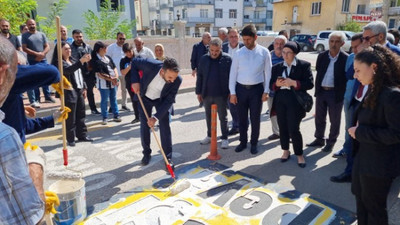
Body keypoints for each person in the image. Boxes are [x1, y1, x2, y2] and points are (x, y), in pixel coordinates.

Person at [349, 45, 400, 225]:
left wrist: (361, 132)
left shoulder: (392, 95)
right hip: (364, 160)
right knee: (361, 204)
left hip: (378, 166)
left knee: (375, 210)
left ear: (374, 67)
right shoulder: (373, 88)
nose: (355, 75)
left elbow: (396, 134)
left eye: (357, 70)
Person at [0, 35, 46, 225]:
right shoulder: (4, 137)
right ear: (2, 72)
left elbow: (27, 124)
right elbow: (29, 218)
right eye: (19, 71)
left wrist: (53, 119)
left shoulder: (16, 99)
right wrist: (35, 168)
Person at [131, 57, 182, 169]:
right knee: (145, 126)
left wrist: (155, 117)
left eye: (174, 78)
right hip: (144, 97)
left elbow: (169, 101)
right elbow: (134, 62)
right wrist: (135, 81)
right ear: (163, 71)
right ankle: (146, 153)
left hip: (161, 101)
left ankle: (167, 157)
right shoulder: (150, 64)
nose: (172, 80)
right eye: (170, 77)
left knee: (165, 126)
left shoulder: (177, 80)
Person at [270, 41, 313, 168]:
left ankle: (299, 154)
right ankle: (285, 150)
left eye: (289, 53)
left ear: (294, 54)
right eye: (283, 52)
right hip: (280, 99)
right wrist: (276, 85)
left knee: (294, 128)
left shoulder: (303, 65)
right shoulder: (277, 67)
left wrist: (294, 83)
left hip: (295, 100)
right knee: (282, 126)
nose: (285, 55)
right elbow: (271, 85)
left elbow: (310, 84)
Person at [229, 24, 272, 155]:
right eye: (244, 39)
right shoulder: (238, 53)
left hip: (256, 90)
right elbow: (233, 74)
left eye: (248, 39)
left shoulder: (264, 52)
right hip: (241, 90)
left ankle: (254, 143)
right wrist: (233, 93)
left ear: (255, 37)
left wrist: (266, 91)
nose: (246, 42)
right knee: (242, 118)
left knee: (255, 118)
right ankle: (242, 142)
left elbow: (268, 73)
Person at [2, 51, 60, 144]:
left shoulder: (11, 95)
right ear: (18, 65)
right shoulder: (7, 79)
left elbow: (22, 127)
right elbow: (52, 72)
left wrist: (52, 119)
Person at [307, 31, 348, 152]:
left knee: (334, 120)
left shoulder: (345, 58)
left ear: (342, 43)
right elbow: (319, 71)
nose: (333, 44)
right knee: (319, 118)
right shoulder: (322, 56)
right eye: (331, 41)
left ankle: (331, 142)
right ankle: (319, 139)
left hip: (335, 93)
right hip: (321, 92)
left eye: (337, 41)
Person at [52, 41, 93, 146]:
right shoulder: (59, 63)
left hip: (79, 89)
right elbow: (68, 71)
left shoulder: (73, 60)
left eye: (69, 48)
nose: (68, 50)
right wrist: (81, 61)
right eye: (65, 49)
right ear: (59, 51)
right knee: (70, 117)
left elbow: (80, 73)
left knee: (81, 114)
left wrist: (84, 87)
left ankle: (82, 135)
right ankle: (70, 138)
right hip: (69, 91)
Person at [196, 38, 232, 149]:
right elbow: (200, 76)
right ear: (209, 48)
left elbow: (232, 77)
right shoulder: (204, 59)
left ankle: (225, 138)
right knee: (208, 116)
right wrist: (198, 92)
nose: (214, 53)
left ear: (221, 48)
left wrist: (231, 92)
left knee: (222, 117)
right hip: (207, 93)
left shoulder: (227, 59)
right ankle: (210, 136)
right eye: (212, 50)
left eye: (216, 51)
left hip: (221, 94)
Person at [22, 19, 55, 107]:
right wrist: (36, 54)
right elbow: (24, 48)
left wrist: (42, 54)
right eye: (29, 24)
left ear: (35, 24)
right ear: (27, 25)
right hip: (33, 60)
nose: (31, 26)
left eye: (33, 24)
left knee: (45, 78)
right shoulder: (25, 36)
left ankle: (47, 96)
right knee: (36, 79)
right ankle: (37, 98)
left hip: (43, 59)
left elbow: (47, 46)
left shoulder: (41, 34)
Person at [90, 41, 122, 125]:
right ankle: (105, 117)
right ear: (101, 49)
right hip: (104, 83)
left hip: (113, 82)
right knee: (104, 100)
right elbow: (100, 74)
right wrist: (111, 79)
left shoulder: (107, 57)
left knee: (113, 98)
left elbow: (114, 67)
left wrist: (116, 77)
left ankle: (116, 114)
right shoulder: (95, 60)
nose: (106, 49)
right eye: (105, 48)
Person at [70, 29, 99, 115]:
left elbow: (93, 60)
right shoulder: (70, 48)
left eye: (80, 36)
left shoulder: (88, 47)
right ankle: (78, 112)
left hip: (88, 73)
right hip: (76, 74)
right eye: (77, 37)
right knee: (78, 93)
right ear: (73, 37)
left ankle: (93, 109)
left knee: (90, 92)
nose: (79, 38)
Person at [222, 28, 244, 136]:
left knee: (242, 107)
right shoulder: (223, 47)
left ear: (239, 37)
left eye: (236, 36)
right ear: (227, 37)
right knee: (231, 106)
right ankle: (236, 126)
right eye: (231, 36)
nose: (234, 39)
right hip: (227, 82)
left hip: (242, 81)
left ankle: (244, 128)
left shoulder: (245, 48)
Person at [266, 35, 287, 141]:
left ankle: (288, 134)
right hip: (272, 91)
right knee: (272, 113)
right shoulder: (268, 56)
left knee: (286, 114)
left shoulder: (288, 56)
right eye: (277, 44)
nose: (279, 46)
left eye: (281, 44)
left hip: (285, 92)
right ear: (273, 45)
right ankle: (276, 132)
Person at [107, 32, 130, 111]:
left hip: (124, 72)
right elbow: (107, 59)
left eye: (123, 39)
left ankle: (124, 105)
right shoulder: (111, 47)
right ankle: (111, 106)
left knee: (124, 89)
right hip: (114, 73)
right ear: (116, 38)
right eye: (120, 38)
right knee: (114, 90)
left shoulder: (126, 48)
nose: (122, 40)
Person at [120, 43, 139, 124]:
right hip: (130, 83)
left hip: (139, 82)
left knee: (143, 100)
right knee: (134, 100)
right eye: (126, 52)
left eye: (130, 51)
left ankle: (145, 116)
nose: (128, 54)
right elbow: (123, 72)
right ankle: (137, 117)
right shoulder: (123, 61)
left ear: (132, 49)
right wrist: (129, 67)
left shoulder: (138, 58)